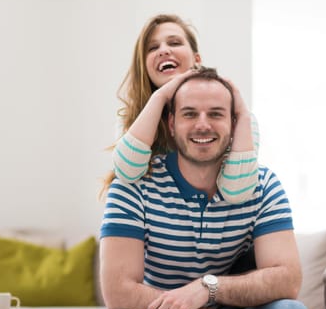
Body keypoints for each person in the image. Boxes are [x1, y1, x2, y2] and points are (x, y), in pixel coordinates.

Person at [98, 67, 307, 309]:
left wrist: (207, 288)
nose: (203, 124)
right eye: (190, 114)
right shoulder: (134, 186)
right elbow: (118, 292)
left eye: (216, 114)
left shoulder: (263, 185)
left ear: (234, 124)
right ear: (172, 124)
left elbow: (287, 280)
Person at [103, 14, 259, 204]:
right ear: (144, 66)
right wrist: (160, 96)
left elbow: (237, 191)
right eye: (153, 48)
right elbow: (127, 172)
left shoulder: (237, 119)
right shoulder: (132, 120)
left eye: (175, 43)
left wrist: (242, 114)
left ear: (197, 59)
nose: (164, 50)